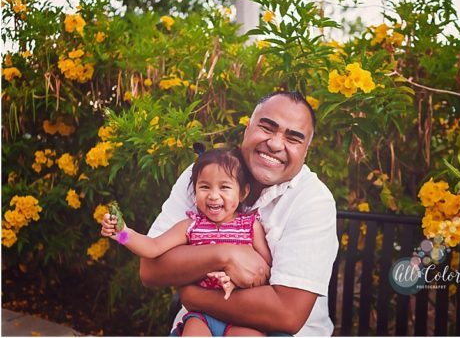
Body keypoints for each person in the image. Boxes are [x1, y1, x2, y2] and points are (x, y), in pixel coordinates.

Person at [140, 92, 338, 336]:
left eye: (293, 139)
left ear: (306, 151)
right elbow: (151, 269)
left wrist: (193, 295)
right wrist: (226, 253)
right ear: (247, 128)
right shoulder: (206, 174)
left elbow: (287, 314)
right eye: (267, 128)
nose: (276, 144)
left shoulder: (313, 200)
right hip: (200, 323)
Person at [101, 148, 271, 336]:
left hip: (243, 314)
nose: (213, 195)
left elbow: (267, 269)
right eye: (205, 187)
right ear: (195, 190)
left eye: (224, 187)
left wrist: (236, 281)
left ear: (242, 192)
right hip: (203, 315)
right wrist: (123, 235)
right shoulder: (190, 226)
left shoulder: (250, 226)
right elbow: (152, 248)